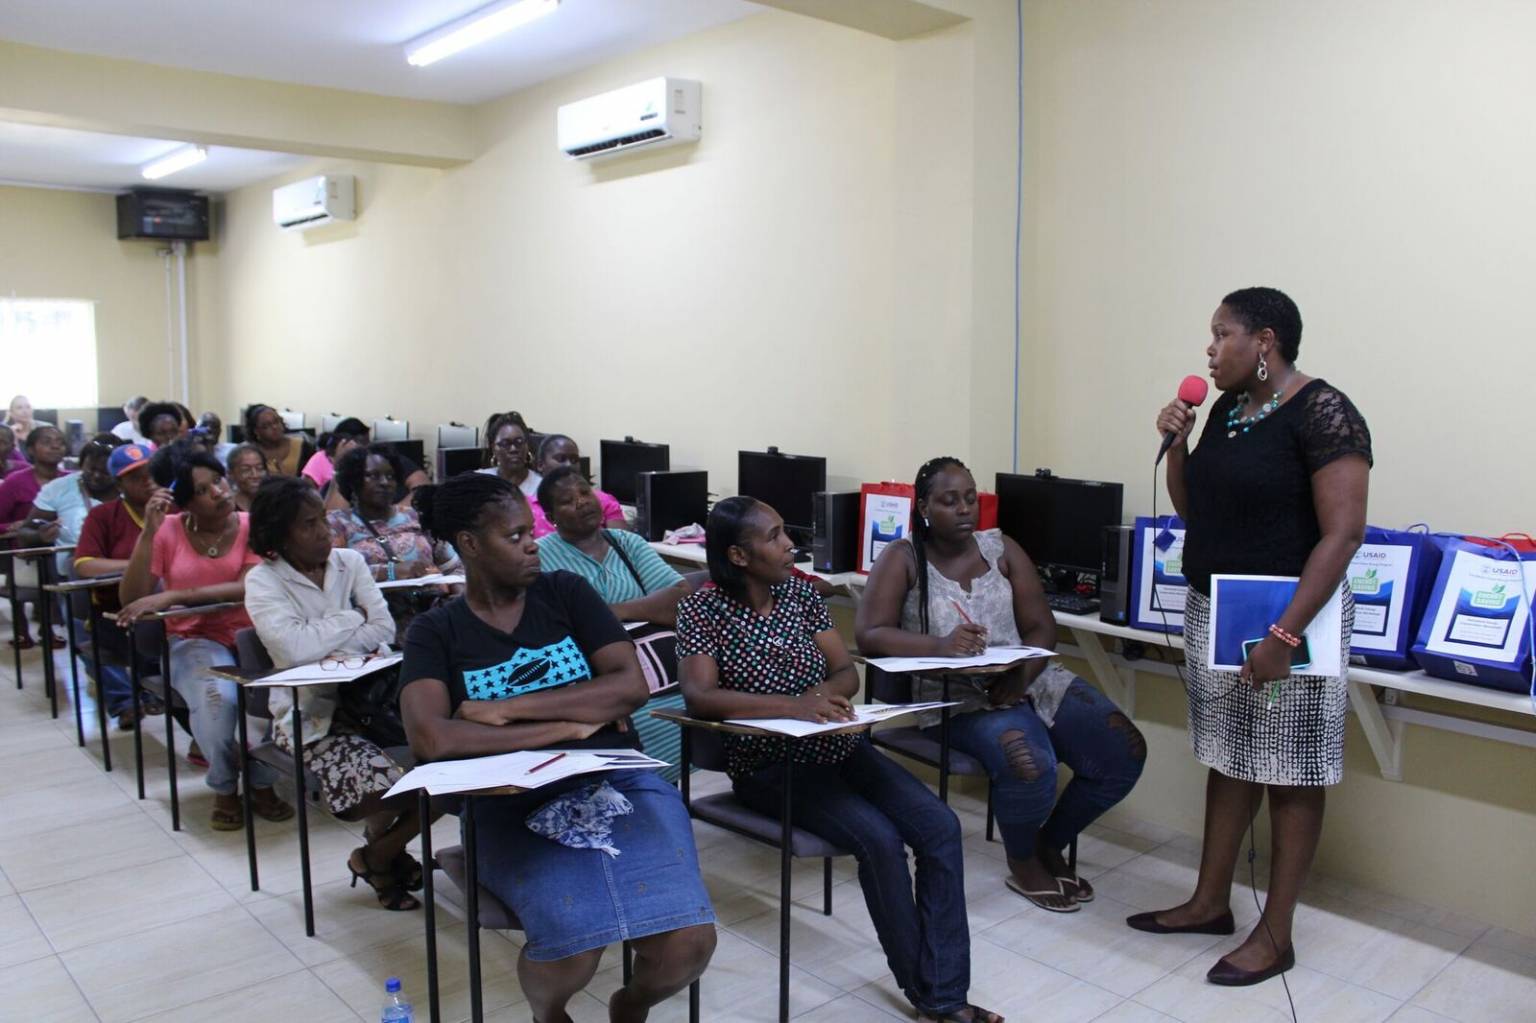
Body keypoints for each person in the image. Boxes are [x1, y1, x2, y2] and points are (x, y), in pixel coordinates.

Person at [399, 472, 716, 1021]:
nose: (531, 544)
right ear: (470, 544)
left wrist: (509, 710)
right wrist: (568, 725)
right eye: (515, 535)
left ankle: (631, 1005)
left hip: (618, 779)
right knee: (574, 941)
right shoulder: (437, 631)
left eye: (530, 531)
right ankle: (552, 1015)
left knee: (688, 944)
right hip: (506, 798)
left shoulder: (565, 593)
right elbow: (432, 737)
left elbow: (628, 687)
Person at [676, 496, 1000, 1023]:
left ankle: (942, 994)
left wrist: (830, 697)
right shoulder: (702, 609)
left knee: (939, 826)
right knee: (878, 839)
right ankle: (936, 999)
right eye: (775, 536)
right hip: (770, 763)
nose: (789, 545)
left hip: (841, 746)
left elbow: (846, 671)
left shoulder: (800, 595)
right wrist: (795, 706)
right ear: (738, 555)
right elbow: (700, 696)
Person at [1131, 287, 1372, 987]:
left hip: (1292, 619)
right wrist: (1177, 447)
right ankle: (1210, 902)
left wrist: (1283, 634)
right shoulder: (1230, 411)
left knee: (1290, 769)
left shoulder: (1324, 411)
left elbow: (1344, 533)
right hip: (1220, 608)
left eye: (1221, 334)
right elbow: (1196, 511)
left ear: (1263, 341)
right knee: (1230, 756)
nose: (1209, 349)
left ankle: (1277, 933)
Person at [856, 458, 1146, 913]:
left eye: (970, 497)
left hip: (1029, 679)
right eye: (949, 501)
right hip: (954, 697)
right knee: (1029, 761)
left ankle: (1051, 842)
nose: (964, 508)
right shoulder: (903, 557)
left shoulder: (1002, 549)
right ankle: (1025, 859)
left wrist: (1020, 680)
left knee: (1123, 748)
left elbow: (1042, 629)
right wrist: (941, 645)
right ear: (925, 507)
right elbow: (869, 635)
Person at [245, 477, 426, 911]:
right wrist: (350, 620)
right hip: (310, 718)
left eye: (323, 520)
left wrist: (326, 634)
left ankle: (376, 855)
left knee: (448, 771)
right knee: (387, 781)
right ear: (278, 536)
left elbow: (383, 627)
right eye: (308, 525)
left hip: (377, 706)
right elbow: (292, 648)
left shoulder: (350, 562)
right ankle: (386, 857)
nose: (324, 532)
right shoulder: (264, 580)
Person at [117, 441, 295, 830]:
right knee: (218, 705)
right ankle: (225, 786)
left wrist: (176, 594)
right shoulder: (167, 531)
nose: (219, 492)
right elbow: (133, 598)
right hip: (193, 639)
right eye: (203, 490)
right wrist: (148, 533)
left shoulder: (251, 525)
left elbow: (248, 586)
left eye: (218, 481)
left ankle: (262, 782)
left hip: (256, 635)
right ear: (185, 503)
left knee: (272, 701)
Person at [74, 443, 166, 728]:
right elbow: (85, 564)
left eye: (150, 473)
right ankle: (125, 702)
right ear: (120, 484)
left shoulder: (175, 510)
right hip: (115, 608)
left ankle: (154, 689)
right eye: (135, 477)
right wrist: (138, 566)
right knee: (98, 641)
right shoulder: (103, 516)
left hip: (167, 606)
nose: (147, 481)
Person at [328, 444, 460, 642]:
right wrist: (392, 572)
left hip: (431, 617)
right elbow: (336, 575)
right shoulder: (338, 524)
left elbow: (454, 565)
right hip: (374, 626)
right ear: (354, 481)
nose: (384, 483)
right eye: (373, 476)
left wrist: (458, 597)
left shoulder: (415, 517)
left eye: (390, 476)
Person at [535, 467, 687, 625]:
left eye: (585, 492)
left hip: (648, 643)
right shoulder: (539, 556)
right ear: (551, 517)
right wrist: (644, 608)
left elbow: (681, 596)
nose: (582, 502)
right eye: (568, 500)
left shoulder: (627, 542)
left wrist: (616, 611)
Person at [28, 436, 121, 575]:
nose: (96, 476)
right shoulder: (58, 488)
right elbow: (25, 532)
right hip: (74, 570)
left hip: (123, 563)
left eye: (105, 472)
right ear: (82, 464)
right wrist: (40, 536)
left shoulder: (131, 489)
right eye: (91, 469)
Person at [529, 434, 627, 536]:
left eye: (574, 460)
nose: (569, 465)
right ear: (540, 465)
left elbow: (623, 544)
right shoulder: (527, 508)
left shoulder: (604, 500)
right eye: (561, 459)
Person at [476, 411, 542, 500]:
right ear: (493, 448)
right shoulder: (479, 481)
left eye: (519, 442)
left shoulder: (541, 486)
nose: (513, 449)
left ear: (527, 446)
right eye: (505, 443)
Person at [244, 404, 315, 477]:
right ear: (256, 431)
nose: (275, 427)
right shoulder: (248, 453)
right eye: (266, 425)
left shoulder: (303, 447)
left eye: (277, 421)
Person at [303, 416, 369, 492]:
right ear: (343, 442)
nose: (366, 448)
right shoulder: (320, 458)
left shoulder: (366, 462)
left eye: (367, 443)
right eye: (362, 443)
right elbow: (305, 493)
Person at [226, 444, 268, 512]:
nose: (255, 475)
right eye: (246, 470)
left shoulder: (275, 504)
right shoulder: (227, 509)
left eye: (260, 468)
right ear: (231, 474)